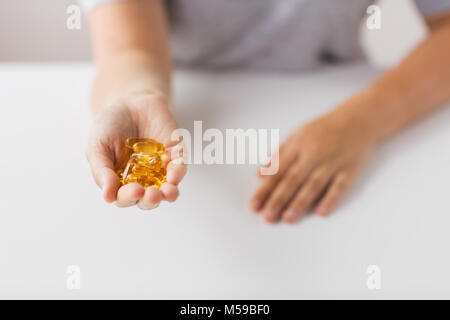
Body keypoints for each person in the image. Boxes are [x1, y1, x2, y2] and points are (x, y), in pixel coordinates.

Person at [83, 0, 450, 222]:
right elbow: (129, 50)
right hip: (188, 103)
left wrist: (361, 121)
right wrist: (135, 96)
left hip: (334, 93)